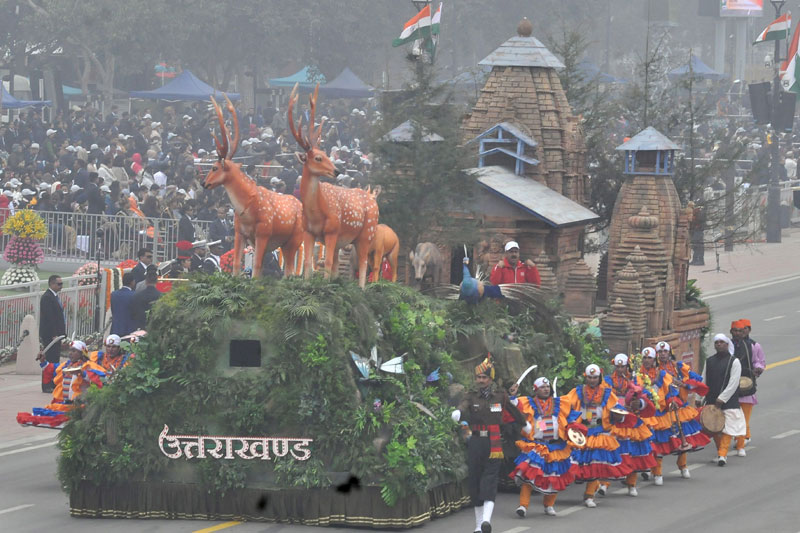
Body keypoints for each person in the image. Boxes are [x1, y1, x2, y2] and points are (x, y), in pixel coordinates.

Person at [452, 355, 529, 533]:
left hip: (494, 443)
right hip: (476, 442)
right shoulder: (470, 396)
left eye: (484, 377)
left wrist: (525, 423)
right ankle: (478, 525)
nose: (480, 380)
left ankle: (486, 521)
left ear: (490, 378)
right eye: (478, 377)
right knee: (475, 482)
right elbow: (463, 406)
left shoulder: (500, 396)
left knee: (490, 480)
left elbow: (513, 411)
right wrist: (457, 412)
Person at [508, 377, 581, 517]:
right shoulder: (529, 402)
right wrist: (512, 395)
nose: (546, 389)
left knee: (554, 477)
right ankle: (523, 506)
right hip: (537, 446)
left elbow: (571, 415)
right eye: (542, 387)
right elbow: (515, 407)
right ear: (536, 390)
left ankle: (549, 505)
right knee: (529, 476)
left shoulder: (559, 403)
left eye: (547, 387)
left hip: (556, 446)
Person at [562, 364, 631, 508]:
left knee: (595, 465)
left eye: (595, 377)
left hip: (600, 432)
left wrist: (620, 415)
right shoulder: (578, 391)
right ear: (586, 377)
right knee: (575, 463)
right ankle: (556, 489)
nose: (592, 380)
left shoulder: (607, 393)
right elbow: (565, 405)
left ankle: (589, 495)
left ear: (599, 377)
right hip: (581, 433)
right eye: (590, 377)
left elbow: (617, 408)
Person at [639, 346, 709, 485]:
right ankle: (656, 471)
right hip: (650, 411)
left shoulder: (666, 371)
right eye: (660, 352)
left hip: (669, 408)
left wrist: (676, 396)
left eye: (665, 351)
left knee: (679, 436)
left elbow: (672, 389)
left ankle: (683, 466)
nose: (663, 354)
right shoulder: (638, 373)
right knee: (657, 442)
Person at [598, 354, 657, 498]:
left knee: (632, 455)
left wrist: (640, 403)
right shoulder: (606, 381)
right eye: (617, 367)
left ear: (627, 367)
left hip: (632, 421)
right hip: (614, 421)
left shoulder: (636, 379)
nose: (619, 369)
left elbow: (646, 397)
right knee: (611, 453)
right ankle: (604, 484)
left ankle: (631, 484)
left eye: (622, 367)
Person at [16, 340, 106, 428]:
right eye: (70, 350)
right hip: (64, 404)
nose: (70, 353)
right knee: (46, 416)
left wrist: (82, 373)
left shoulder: (89, 365)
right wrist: (43, 361)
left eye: (74, 351)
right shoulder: (66, 365)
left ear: (82, 353)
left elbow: (100, 378)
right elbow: (52, 369)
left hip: (80, 406)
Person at [699, 334, 746, 466]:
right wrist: (699, 397)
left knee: (727, 429)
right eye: (716, 342)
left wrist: (722, 399)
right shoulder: (709, 361)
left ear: (727, 344)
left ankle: (722, 454)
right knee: (713, 428)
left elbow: (733, 383)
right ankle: (720, 451)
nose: (719, 344)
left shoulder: (734, 361)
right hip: (712, 400)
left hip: (728, 401)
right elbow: (704, 380)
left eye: (721, 342)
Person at [733, 319, 765, 454]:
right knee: (733, 416)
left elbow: (760, 362)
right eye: (739, 329)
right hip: (733, 385)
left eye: (745, 329)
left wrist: (758, 369)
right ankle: (743, 436)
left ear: (749, 330)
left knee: (744, 416)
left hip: (746, 383)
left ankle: (743, 440)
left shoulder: (754, 346)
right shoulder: (729, 345)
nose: (742, 332)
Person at [39, 275, 66, 392]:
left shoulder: (54, 297)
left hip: (56, 335)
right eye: (59, 284)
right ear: (51, 284)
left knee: (54, 361)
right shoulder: (47, 297)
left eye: (61, 284)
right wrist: (54, 334)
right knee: (48, 361)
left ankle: (53, 382)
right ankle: (46, 385)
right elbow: (49, 318)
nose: (61, 286)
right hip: (51, 336)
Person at [110, 272, 137, 336]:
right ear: (132, 282)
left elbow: (113, 310)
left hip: (116, 328)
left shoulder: (114, 294)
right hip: (129, 329)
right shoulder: (134, 295)